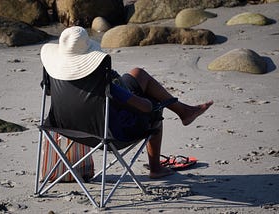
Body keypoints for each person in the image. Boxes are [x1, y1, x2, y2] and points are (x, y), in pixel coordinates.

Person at [40, 26, 213, 179]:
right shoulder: (102, 81)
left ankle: (184, 111)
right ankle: (156, 168)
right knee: (153, 106)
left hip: (66, 126)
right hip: (109, 133)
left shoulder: (55, 75)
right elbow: (144, 107)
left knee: (137, 74)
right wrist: (151, 104)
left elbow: (49, 92)